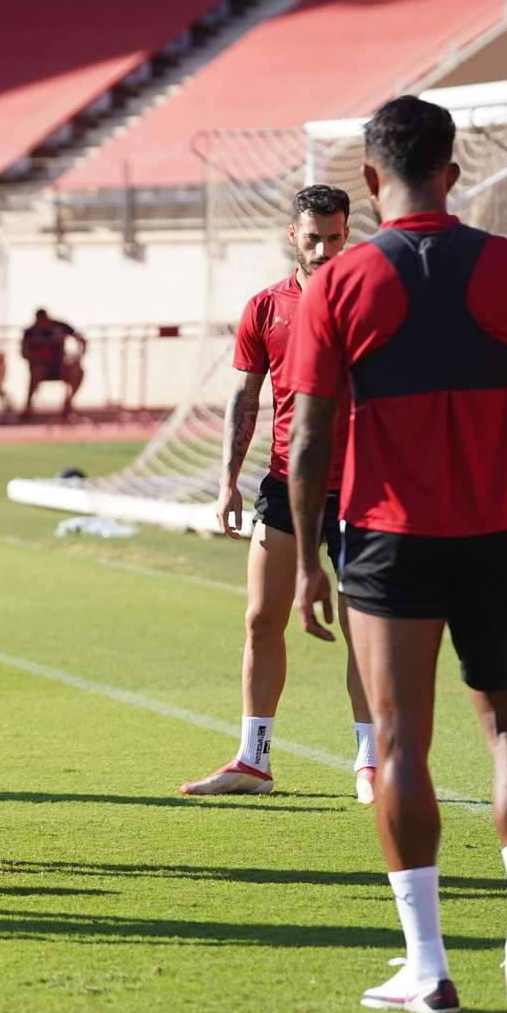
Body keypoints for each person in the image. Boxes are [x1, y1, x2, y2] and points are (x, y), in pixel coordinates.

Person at [289, 95, 507, 1013]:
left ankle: (428, 969)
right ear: (452, 173)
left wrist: (306, 564)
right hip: (496, 535)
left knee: (401, 742)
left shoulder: (339, 282)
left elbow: (309, 439)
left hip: (388, 539)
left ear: (372, 180)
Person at [183, 185, 375, 800]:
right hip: (285, 485)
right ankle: (254, 760)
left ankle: (371, 762)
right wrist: (228, 482)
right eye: (313, 237)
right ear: (293, 235)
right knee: (263, 618)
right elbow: (245, 398)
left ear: (347, 235)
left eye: (335, 237)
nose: (324, 249)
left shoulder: (370, 303)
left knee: (364, 626)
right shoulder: (265, 308)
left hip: (360, 491)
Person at [20, 308, 85, 420]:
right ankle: (28, 407)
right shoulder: (31, 331)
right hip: (41, 368)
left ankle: (68, 404)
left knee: (78, 372)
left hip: (60, 367)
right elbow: (24, 352)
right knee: (37, 371)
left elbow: (81, 339)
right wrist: (35, 358)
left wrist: (78, 357)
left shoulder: (61, 326)